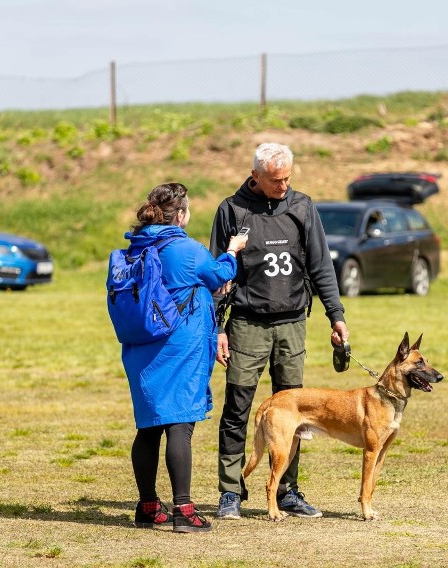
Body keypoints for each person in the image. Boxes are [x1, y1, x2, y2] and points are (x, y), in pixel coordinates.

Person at [209, 142, 350, 519]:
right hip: (246, 324)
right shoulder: (231, 210)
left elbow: (321, 266)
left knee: (294, 412)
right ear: (255, 176)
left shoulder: (302, 207)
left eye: (287, 178)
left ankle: (287, 490)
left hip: (291, 324)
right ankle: (230, 491)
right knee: (237, 407)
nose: (283, 185)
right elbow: (219, 277)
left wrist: (335, 315)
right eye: (275, 180)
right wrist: (217, 329)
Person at [120, 182, 248, 533]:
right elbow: (220, 275)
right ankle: (184, 510)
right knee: (180, 422)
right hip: (180, 346)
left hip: (140, 346)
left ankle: (148, 506)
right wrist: (233, 250)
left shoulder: (137, 245)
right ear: (180, 214)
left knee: (148, 427)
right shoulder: (186, 248)